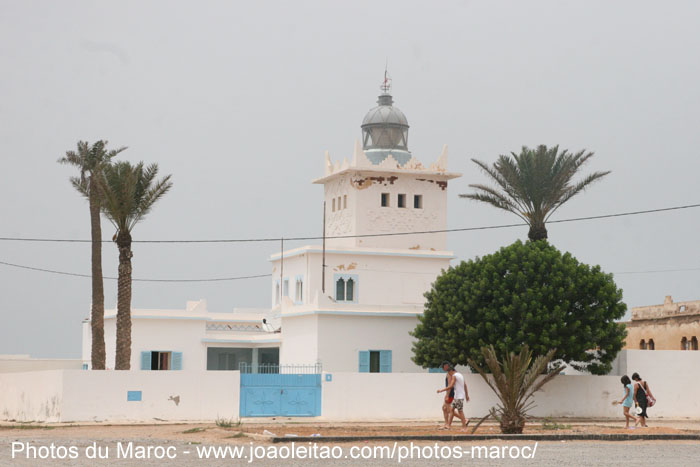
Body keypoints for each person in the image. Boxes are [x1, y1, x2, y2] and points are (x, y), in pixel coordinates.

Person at [437, 365, 470, 430]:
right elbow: (465, 385)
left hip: (459, 397)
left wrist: (441, 390)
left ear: (451, 371)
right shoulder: (460, 375)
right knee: (451, 409)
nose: (449, 375)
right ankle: (448, 425)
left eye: (449, 373)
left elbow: (451, 386)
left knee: (460, 411)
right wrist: (466, 395)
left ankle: (464, 427)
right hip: (457, 396)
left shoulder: (454, 376)